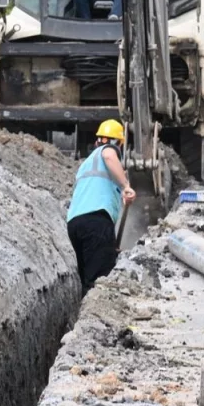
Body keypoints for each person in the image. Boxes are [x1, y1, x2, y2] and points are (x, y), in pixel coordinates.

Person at [66, 120, 138, 289]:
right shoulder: (108, 151)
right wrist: (126, 186)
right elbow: (109, 155)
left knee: (87, 278)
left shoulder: (87, 164)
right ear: (119, 143)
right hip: (96, 222)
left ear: (97, 139)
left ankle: (85, 308)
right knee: (100, 280)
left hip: (75, 225)